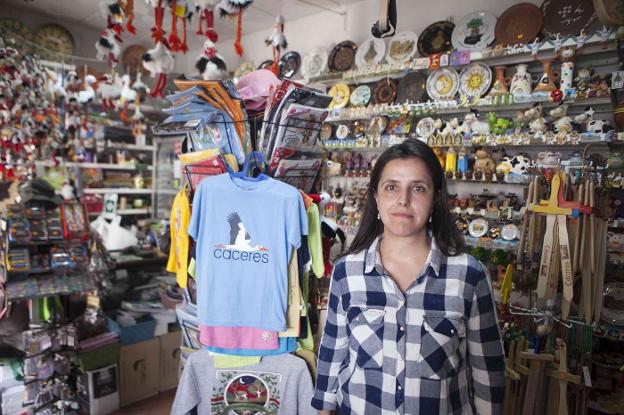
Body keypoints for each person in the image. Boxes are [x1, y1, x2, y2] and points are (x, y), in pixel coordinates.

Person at [311, 139, 505, 414]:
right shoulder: (347, 272)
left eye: (418, 188)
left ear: (435, 198)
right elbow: (332, 355)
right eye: (391, 187)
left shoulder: (469, 275)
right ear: (376, 197)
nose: (403, 199)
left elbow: (488, 374)